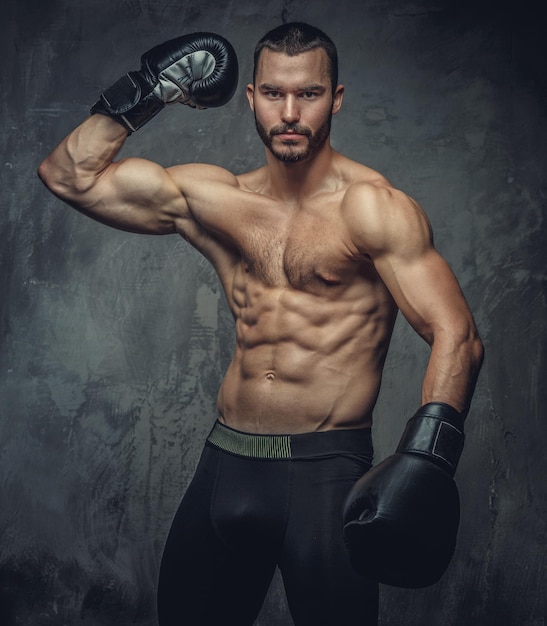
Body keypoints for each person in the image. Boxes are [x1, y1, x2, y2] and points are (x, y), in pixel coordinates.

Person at [38, 22, 484, 626]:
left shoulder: (373, 208)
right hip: (224, 467)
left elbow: (457, 335)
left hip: (326, 476)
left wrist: (427, 462)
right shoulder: (215, 198)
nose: (291, 112)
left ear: (338, 97)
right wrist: (154, 85)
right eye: (274, 93)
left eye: (310, 94)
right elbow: (69, 174)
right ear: (250, 97)